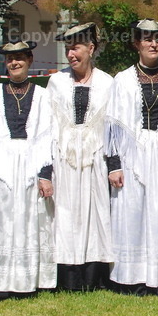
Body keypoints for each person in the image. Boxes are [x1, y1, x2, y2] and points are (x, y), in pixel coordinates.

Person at [0, 41, 55, 297]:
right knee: (0, 220)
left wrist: (44, 174)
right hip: (0, 165)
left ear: (29, 60)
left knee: (28, 219)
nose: (14, 63)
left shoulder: (41, 95)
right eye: (10, 59)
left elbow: (48, 135)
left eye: (19, 58)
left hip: (31, 162)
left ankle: (24, 280)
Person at [106, 20, 158, 295]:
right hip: (131, 157)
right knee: (133, 213)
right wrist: (114, 165)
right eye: (147, 39)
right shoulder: (122, 80)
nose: (153, 44)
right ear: (137, 44)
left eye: (157, 39)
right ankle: (132, 278)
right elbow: (112, 125)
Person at [47, 23, 114, 291]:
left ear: (91, 48)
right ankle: (68, 278)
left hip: (95, 159)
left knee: (94, 215)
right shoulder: (57, 82)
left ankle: (93, 277)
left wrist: (113, 165)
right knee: (66, 215)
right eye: (67, 48)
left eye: (75, 48)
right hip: (64, 160)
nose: (70, 54)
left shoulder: (107, 83)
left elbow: (112, 128)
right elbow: (48, 126)